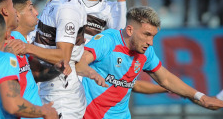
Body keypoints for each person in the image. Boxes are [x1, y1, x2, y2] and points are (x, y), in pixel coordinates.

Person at [76, 6, 223, 118]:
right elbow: (79, 63)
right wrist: (91, 73)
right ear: (130, 30)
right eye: (147, 34)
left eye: (153, 36)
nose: (150, 42)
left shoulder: (145, 52)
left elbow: (165, 78)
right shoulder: (108, 40)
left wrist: (201, 97)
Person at [22, 0, 87, 118]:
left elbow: (63, 56)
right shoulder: (55, 3)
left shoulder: (67, 9)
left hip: (62, 98)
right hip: (49, 92)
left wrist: (27, 48)